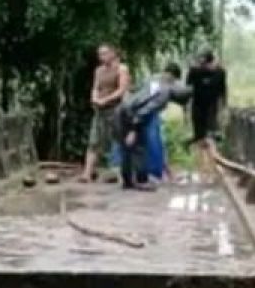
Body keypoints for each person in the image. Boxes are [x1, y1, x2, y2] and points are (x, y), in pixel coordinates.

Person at [113, 63, 192, 190]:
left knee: (127, 148)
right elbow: (144, 112)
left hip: (122, 110)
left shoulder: (153, 80)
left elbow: (136, 93)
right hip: (131, 114)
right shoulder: (165, 94)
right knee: (139, 147)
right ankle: (142, 180)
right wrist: (133, 130)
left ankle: (128, 181)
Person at [79, 45, 130, 183]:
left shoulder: (122, 69)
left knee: (118, 140)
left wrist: (105, 100)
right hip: (100, 110)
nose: (102, 57)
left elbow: (121, 90)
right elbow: (95, 87)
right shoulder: (99, 70)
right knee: (94, 140)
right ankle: (87, 173)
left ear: (112, 53)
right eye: (100, 54)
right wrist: (94, 98)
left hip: (115, 109)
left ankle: (122, 172)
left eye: (105, 53)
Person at [187, 48, 228, 175]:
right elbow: (187, 90)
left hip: (212, 108)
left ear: (211, 62)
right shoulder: (194, 71)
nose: (204, 66)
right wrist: (185, 109)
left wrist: (223, 109)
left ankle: (214, 166)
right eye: (201, 64)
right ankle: (203, 169)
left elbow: (223, 92)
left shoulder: (220, 72)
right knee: (199, 138)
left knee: (211, 137)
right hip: (197, 107)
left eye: (206, 64)